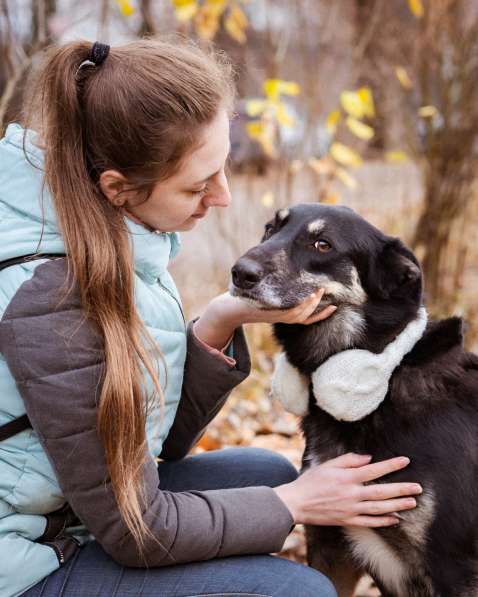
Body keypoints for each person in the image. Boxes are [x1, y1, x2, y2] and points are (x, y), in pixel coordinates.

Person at [0, 38, 422, 597]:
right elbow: (135, 528)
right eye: (199, 185)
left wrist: (221, 321)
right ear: (118, 188)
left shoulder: (120, 241)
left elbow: (155, 445)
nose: (222, 197)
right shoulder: (50, 299)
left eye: (222, 168)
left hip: (68, 510)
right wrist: (296, 503)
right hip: (25, 558)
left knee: (266, 472)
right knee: (298, 589)